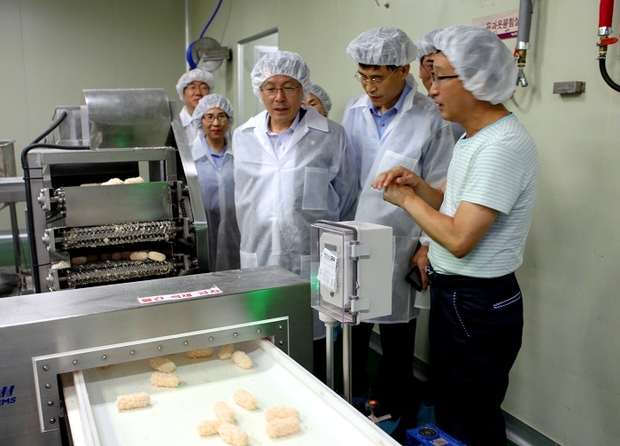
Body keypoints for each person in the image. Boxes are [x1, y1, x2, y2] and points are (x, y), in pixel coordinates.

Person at [372, 24, 539, 446]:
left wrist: (406, 201)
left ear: (476, 80)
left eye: (439, 77)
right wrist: (416, 185)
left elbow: (461, 238)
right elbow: (450, 204)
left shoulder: (499, 147)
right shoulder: (473, 138)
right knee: (452, 406)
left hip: (478, 302)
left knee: (471, 416)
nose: (431, 89)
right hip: (457, 296)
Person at [342, 26, 454, 434]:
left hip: (401, 239)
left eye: (377, 77)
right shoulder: (354, 110)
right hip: (352, 236)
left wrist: (425, 245)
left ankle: (390, 409)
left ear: (402, 70)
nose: (369, 87)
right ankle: (350, 397)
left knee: (397, 334)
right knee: (352, 326)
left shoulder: (430, 116)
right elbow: (347, 176)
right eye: (362, 77)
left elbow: (441, 184)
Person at [232, 50, 359, 381]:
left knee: (312, 342)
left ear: (303, 89)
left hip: (311, 257)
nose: (279, 97)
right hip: (258, 253)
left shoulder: (331, 135)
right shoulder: (243, 136)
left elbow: (347, 196)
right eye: (270, 88)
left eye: (289, 87)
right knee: (262, 341)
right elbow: (242, 198)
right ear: (259, 90)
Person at [191, 94, 240, 272]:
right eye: (209, 117)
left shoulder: (240, 153)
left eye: (221, 116)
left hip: (236, 226)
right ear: (200, 120)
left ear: (229, 119)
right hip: (203, 228)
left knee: (235, 272)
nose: (216, 123)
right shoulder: (191, 157)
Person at [176, 68, 215, 145]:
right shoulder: (175, 125)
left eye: (203, 88)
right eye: (192, 87)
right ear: (183, 93)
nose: (198, 93)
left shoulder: (218, 123)